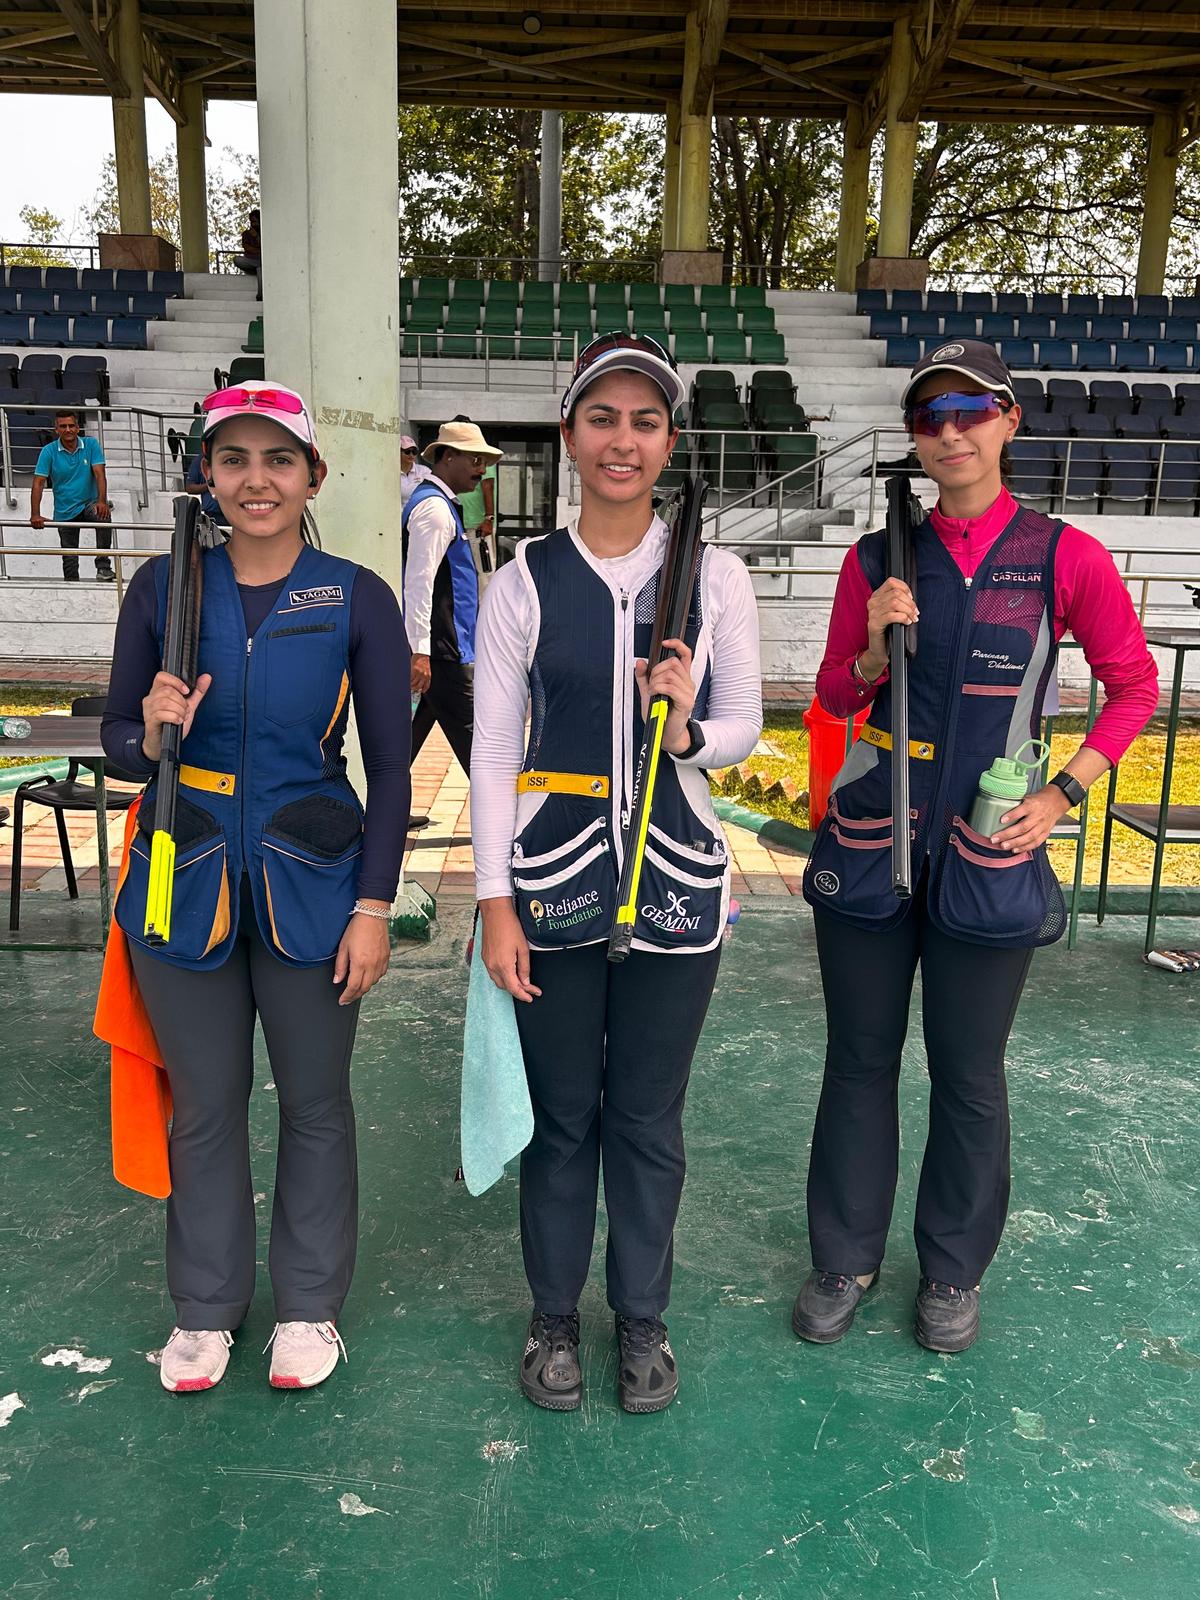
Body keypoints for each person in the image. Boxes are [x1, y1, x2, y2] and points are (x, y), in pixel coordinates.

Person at [794, 340, 1159, 1354]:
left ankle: (953, 1268)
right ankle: (844, 1257)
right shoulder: (876, 559)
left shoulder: (1065, 556)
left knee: (968, 1072)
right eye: (929, 416)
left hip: (990, 845)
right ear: (915, 436)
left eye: (970, 410)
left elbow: (1134, 687)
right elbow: (833, 694)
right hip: (873, 838)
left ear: (1008, 421)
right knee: (858, 1061)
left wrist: (1064, 789)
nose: (949, 431)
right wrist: (876, 646)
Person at [99, 380, 411, 1393]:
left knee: (315, 1103)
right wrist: (150, 736)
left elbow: (391, 768)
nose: (256, 480)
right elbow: (116, 737)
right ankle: (205, 1307)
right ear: (208, 474)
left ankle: (309, 1305)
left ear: (313, 474)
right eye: (233, 458)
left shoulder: (355, 595)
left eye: (278, 459)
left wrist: (373, 906)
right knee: (204, 1104)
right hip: (180, 878)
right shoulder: (163, 589)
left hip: (313, 881)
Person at [472, 332, 763, 1413]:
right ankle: (553, 1315)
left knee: (646, 1117)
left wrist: (686, 730)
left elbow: (746, 725)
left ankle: (642, 1317)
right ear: (569, 434)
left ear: (670, 441)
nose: (622, 441)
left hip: (678, 881)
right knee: (563, 1120)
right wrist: (493, 902)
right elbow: (492, 752)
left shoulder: (715, 577)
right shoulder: (522, 581)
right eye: (602, 418)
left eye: (645, 421)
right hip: (551, 883)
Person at [402, 418, 502, 778]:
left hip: (441, 649)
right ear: (446, 457)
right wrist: (420, 651)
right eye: (474, 459)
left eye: (483, 461)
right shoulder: (434, 509)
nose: (481, 469)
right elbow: (418, 582)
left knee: (405, 744)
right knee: (482, 750)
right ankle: (503, 811)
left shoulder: (442, 504)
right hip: (441, 652)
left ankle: (380, 806)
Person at [30, 409, 114, 582]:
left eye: (71, 425)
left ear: (77, 428)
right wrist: (35, 514)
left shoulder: (91, 445)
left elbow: (100, 474)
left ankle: (103, 567)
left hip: (89, 504)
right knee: (69, 561)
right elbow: (38, 483)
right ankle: (72, 587)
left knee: (103, 516)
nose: (67, 429)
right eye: (63, 426)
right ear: (56, 429)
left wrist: (102, 501)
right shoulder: (48, 451)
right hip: (65, 510)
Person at [232, 209, 262, 299]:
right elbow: (248, 248)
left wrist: (256, 237)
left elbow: (266, 248)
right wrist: (259, 250)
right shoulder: (246, 234)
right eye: (251, 222)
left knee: (260, 269)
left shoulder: (264, 233)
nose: (253, 224)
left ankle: (260, 295)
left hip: (262, 262)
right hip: (251, 261)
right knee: (237, 259)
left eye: (255, 221)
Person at [400, 434, 432, 506]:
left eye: (414, 451)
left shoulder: (425, 471)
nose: (411, 455)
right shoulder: (391, 473)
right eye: (407, 451)